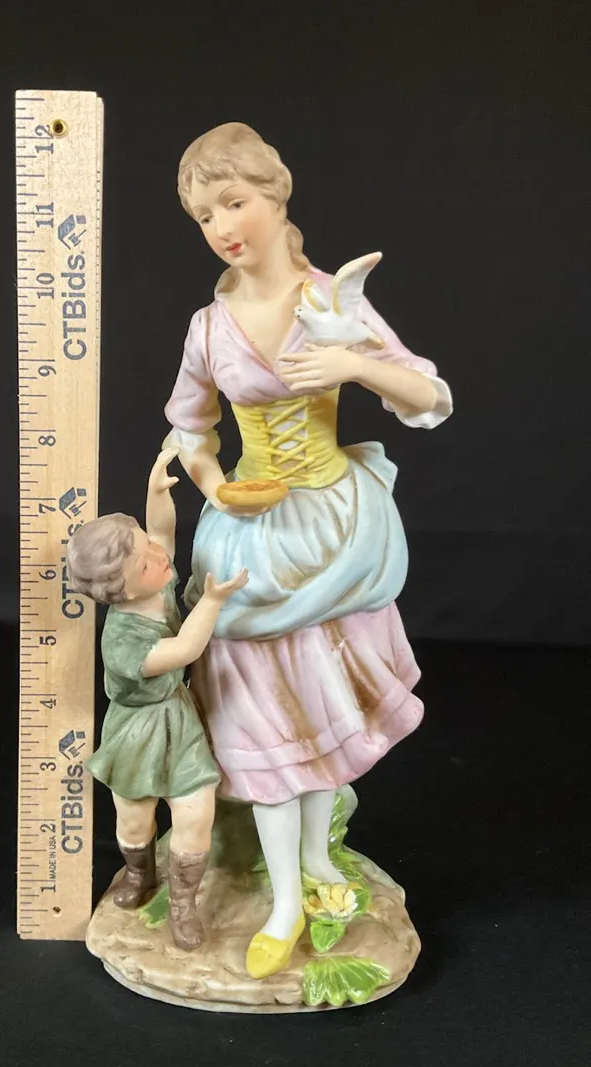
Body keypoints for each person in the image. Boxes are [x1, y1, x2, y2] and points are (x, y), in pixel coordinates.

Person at [163, 122, 453, 978]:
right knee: (260, 721)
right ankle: (285, 899)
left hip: (333, 528)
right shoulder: (208, 328)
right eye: (204, 215)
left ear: (274, 195)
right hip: (253, 539)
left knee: (320, 704)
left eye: (234, 202)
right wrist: (217, 489)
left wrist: (354, 367)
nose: (221, 226)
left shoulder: (332, 302)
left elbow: (428, 397)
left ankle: (319, 860)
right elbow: (191, 432)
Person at [66, 447, 247, 950]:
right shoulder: (123, 642)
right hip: (137, 731)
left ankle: (183, 902)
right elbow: (185, 648)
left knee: (195, 813)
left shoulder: (154, 589)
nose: (160, 556)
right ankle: (138, 873)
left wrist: (155, 492)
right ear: (121, 592)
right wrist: (212, 601)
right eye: (145, 562)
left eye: (148, 548)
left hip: (177, 723)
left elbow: (162, 534)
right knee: (135, 815)